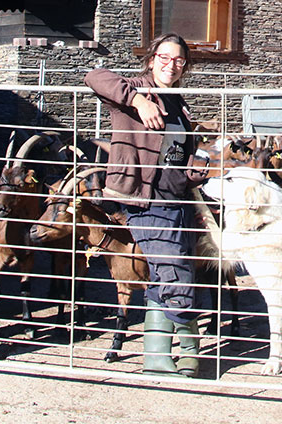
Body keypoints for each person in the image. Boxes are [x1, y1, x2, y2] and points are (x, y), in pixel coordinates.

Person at [83, 33, 208, 376]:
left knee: (164, 272)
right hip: (143, 198)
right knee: (177, 271)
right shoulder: (133, 90)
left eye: (179, 60)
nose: (171, 65)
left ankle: (157, 358)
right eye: (165, 58)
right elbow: (94, 76)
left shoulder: (179, 102)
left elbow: (177, 153)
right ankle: (190, 353)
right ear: (152, 59)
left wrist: (193, 171)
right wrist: (139, 101)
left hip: (176, 198)